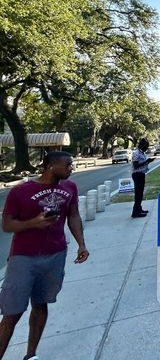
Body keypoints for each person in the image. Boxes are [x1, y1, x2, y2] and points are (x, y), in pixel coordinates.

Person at [0, 151, 89, 360]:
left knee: (41, 306)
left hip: (55, 255)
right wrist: (33, 222)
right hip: (24, 258)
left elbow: (73, 215)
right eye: (67, 165)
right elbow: (6, 225)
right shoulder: (20, 191)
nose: (71, 168)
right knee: (12, 313)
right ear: (50, 166)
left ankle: (31, 355)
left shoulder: (70, 187)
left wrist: (81, 245)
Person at [131, 139, 155, 218]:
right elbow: (136, 166)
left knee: (140, 194)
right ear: (141, 145)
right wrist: (146, 161)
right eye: (146, 146)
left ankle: (139, 209)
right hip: (137, 174)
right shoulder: (136, 153)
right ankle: (135, 212)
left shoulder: (142, 153)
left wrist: (148, 161)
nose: (147, 148)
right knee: (138, 194)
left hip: (141, 174)